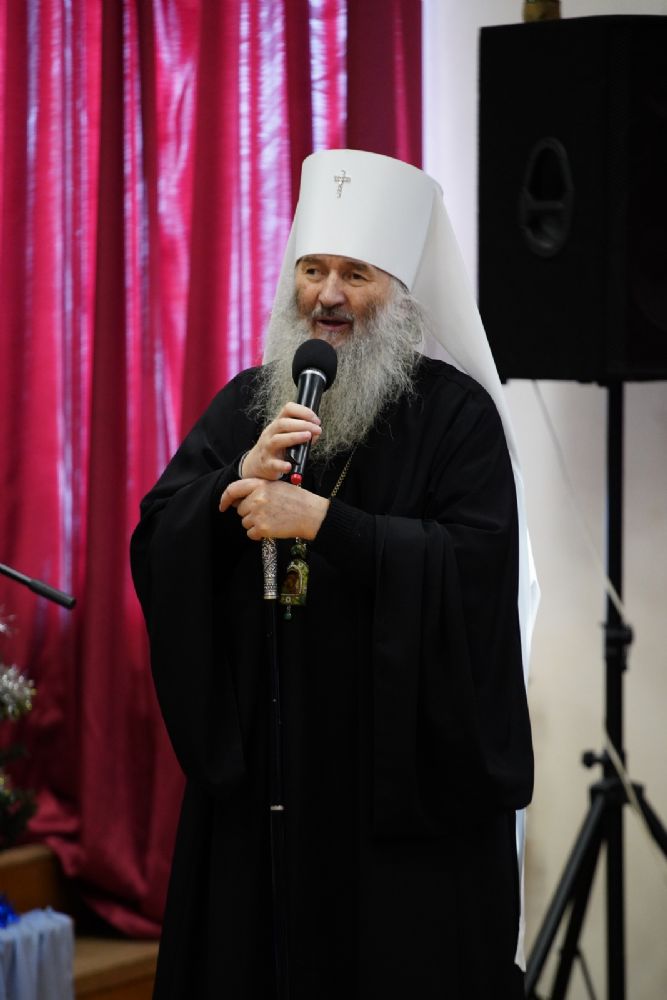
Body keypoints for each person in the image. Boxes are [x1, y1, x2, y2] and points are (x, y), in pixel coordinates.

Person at [130, 149, 537, 999]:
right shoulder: (251, 404)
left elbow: (473, 570)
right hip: (265, 776)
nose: (327, 295)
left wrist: (325, 523)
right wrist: (232, 483)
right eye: (312, 269)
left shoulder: (455, 418)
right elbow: (159, 534)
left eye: (356, 274)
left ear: (402, 295)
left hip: (396, 797)